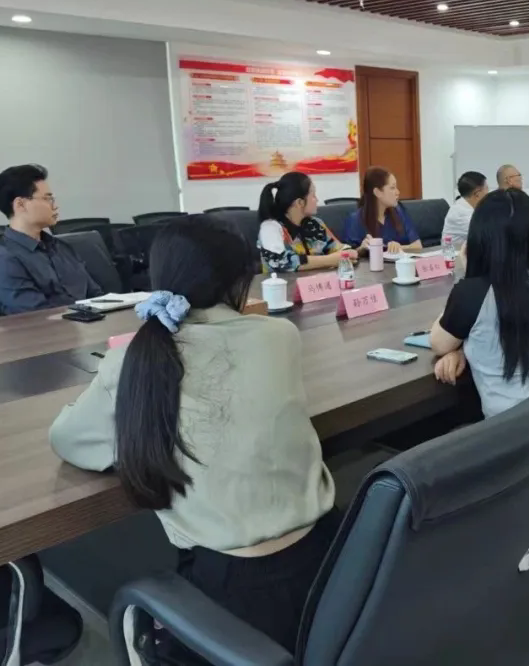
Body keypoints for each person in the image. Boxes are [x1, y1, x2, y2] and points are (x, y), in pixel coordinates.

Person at [49, 216, 338, 664]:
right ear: (240, 282)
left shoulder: (133, 360)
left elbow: (69, 440)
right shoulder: (280, 335)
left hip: (232, 595)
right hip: (333, 563)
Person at [429, 188, 529, 418]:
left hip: (511, 430)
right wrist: (465, 347)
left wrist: (470, 276)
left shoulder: (473, 292)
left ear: (478, 239)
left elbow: (439, 343)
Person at [0, 164, 103, 315]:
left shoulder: (61, 247)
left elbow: (97, 296)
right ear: (20, 204)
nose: (55, 206)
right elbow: (38, 315)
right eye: (48, 198)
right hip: (51, 329)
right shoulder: (3, 261)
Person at [257, 171, 352, 272]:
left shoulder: (315, 224)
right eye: (313, 195)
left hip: (318, 280)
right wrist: (331, 260)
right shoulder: (270, 228)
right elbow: (281, 262)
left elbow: (341, 249)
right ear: (300, 203)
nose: (317, 200)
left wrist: (351, 252)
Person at [342, 167, 421, 253]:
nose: (397, 192)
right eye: (392, 188)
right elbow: (346, 255)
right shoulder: (355, 220)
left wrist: (399, 247)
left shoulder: (399, 211)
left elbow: (418, 246)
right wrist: (361, 249)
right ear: (377, 192)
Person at [442, 171, 488, 245]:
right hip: (455, 252)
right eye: (486, 188)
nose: (488, 193)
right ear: (477, 194)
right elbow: (488, 234)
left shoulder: (470, 206)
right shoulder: (460, 213)